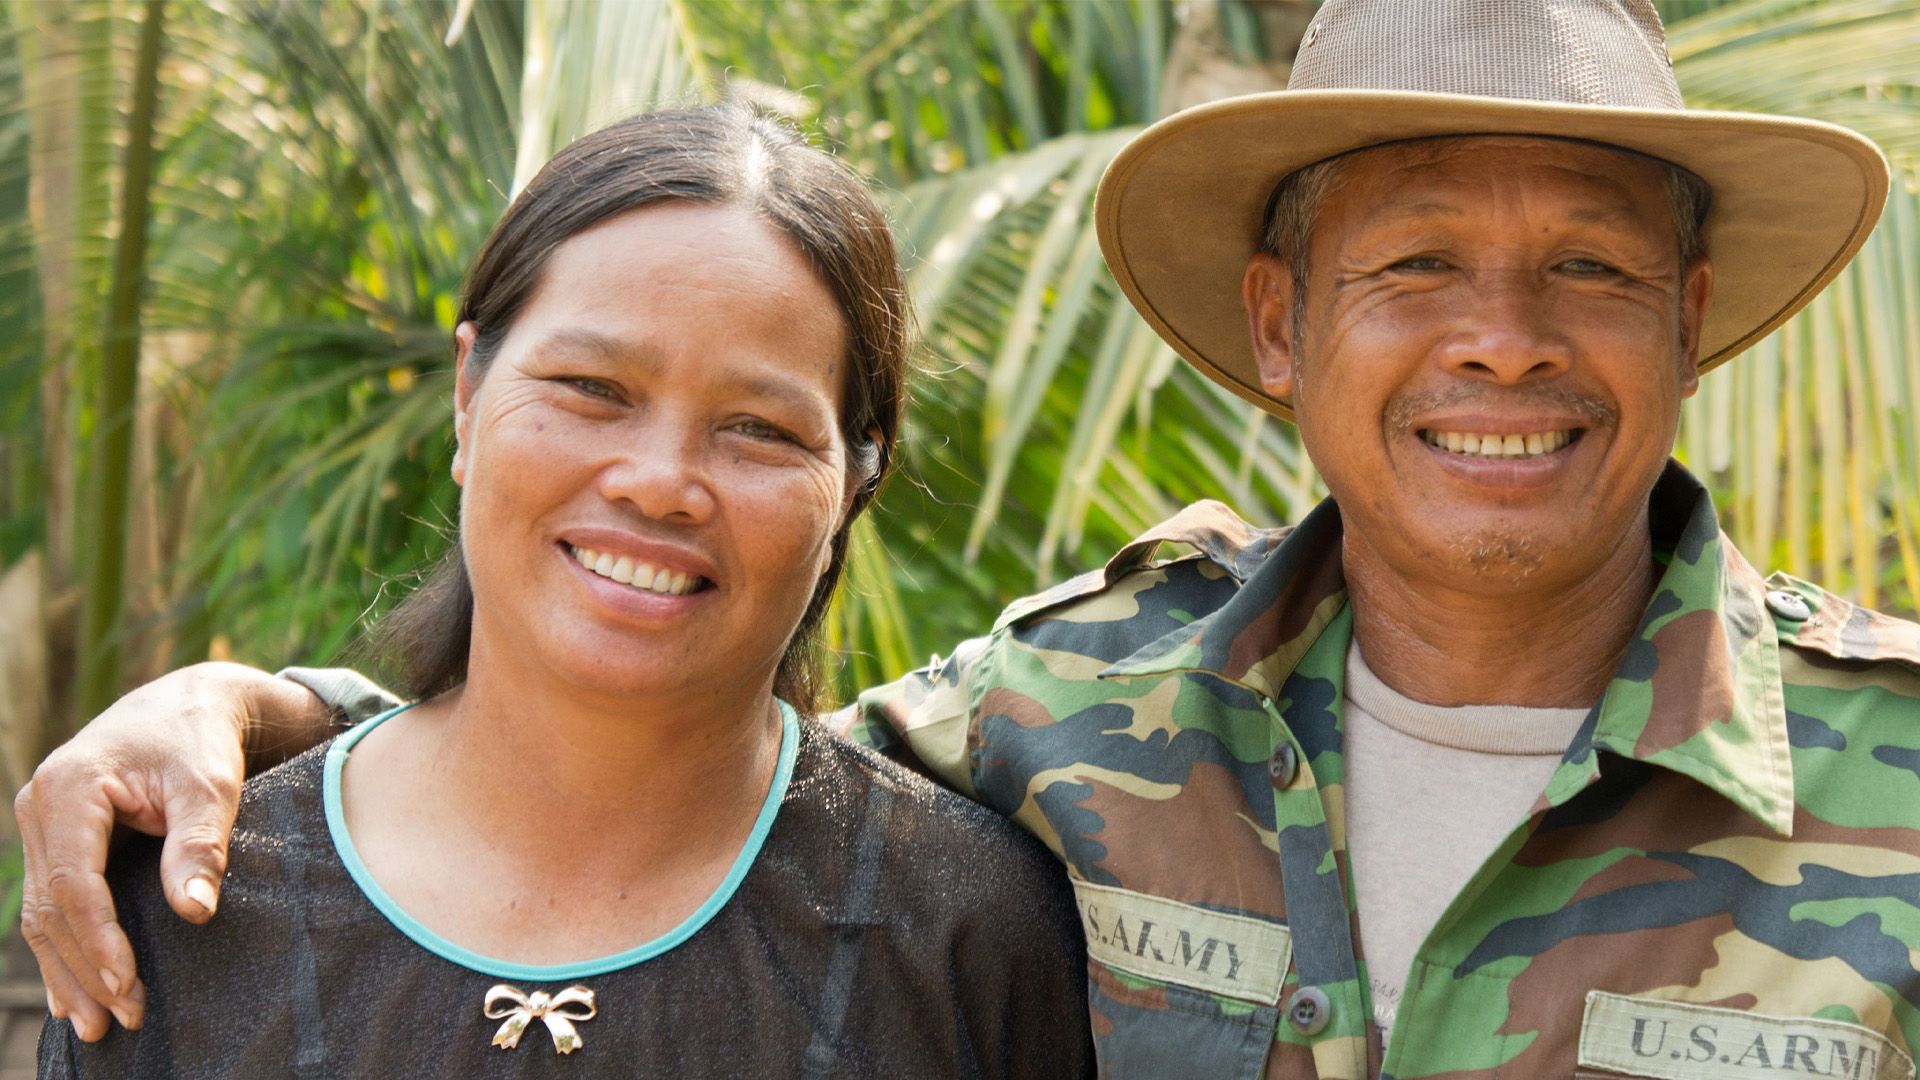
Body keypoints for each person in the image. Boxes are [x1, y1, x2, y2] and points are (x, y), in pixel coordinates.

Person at [22, 1, 1920, 1077]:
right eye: (1417, 263)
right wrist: (261, 714)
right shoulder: (1067, 718)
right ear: (1278, 326)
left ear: (1691, 326)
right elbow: (641, 745)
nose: (1502, 339)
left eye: (1588, 268)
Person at [31, 104, 1092, 1078]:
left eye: (760, 429)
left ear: (855, 488)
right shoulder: (178, 914)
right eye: (592, 390)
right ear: (466, 393)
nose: (660, 483)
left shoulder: (972, 939)